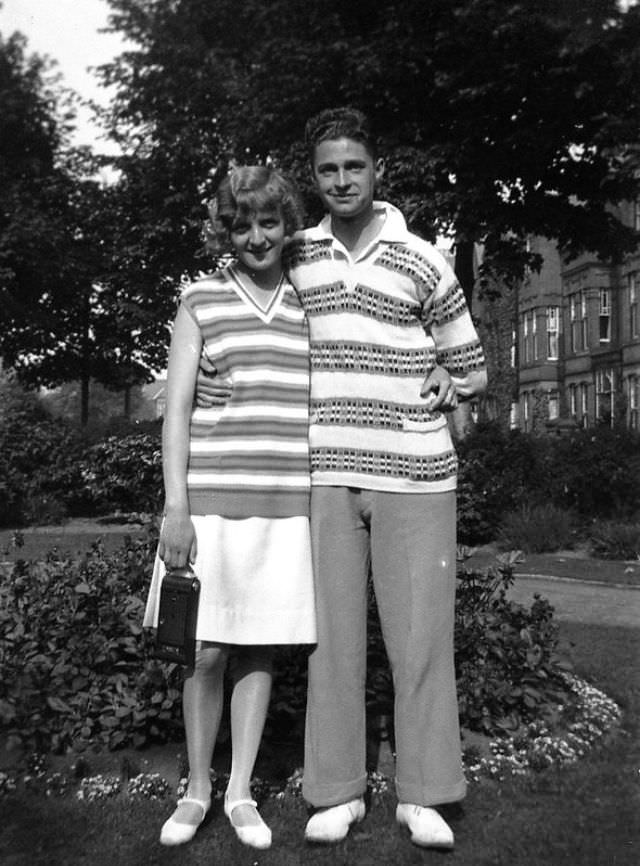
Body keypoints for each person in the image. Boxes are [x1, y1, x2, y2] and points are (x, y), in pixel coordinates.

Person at [197, 107, 487, 850]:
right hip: (325, 472)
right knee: (331, 643)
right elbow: (239, 292)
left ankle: (424, 793)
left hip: (417, 475)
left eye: (353, 166)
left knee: (419, 641)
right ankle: (335, 791)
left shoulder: (424, 257)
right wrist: (204, 366)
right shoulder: (298, 253)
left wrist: (455, 384)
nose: (341, 180)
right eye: (327, 170)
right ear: (315, 177)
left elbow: (472, 363)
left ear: (375, 169)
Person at [143, 166, 316, 851]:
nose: (256, 237)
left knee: (258, 649)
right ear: (226, 230)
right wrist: (175, 508)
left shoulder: (311, 303)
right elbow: (175, 411)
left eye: (268, 222)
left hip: (282, 506)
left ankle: (241, 789)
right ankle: (197, 787)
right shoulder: (200, 301)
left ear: (287, 225)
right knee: (205, 651)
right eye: (241, 225)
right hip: (209, 504)